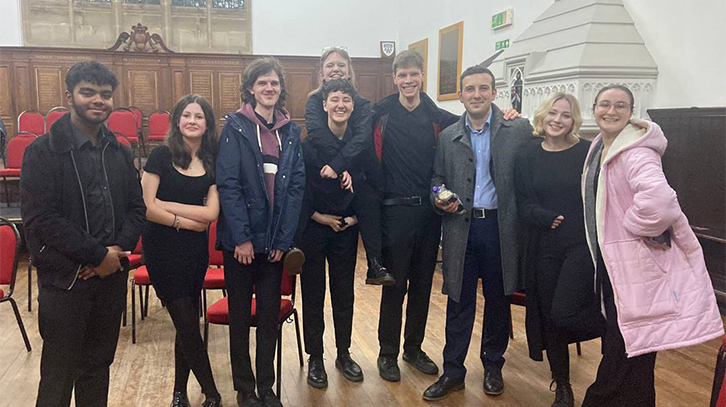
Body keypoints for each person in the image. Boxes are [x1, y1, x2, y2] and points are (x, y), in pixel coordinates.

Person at [580, 84, 724, 406]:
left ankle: (598, 400)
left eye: (621, 105)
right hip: (614, 260)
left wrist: (632, 227)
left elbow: (660, 202)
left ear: (632, 113)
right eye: (605, 104)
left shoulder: (636, 151)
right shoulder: (600, 148)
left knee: (628, 342)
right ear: (594, 109)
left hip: (634, 261)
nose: (611, 111)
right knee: (635, 345)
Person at [21, 61, 146, 406]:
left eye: (105, 95)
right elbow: (42, 219)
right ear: (70, 96)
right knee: (59, 374)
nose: (98, 101)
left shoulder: (119, 151)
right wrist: (96, 256)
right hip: (66, 280)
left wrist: (115, 252)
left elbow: (137, 209)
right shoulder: (42, 152)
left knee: (97, 367)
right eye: (88, 92)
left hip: (109, 278)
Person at [423, 65, 531, 401]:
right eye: (470, 89)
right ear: (461, 95)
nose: (476, 95)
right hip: (461, 229)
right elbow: (436, 179)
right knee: (458, 301)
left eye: (483, 89)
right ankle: (453, 370)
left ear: (494, 92)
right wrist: (439, 196)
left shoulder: (518, 129)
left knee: (498, 300)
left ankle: (493, 366)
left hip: (500, 228)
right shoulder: (448, 136)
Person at [216, 57, 305, 407]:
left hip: (274, 244)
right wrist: (241, 238)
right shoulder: (235, 127)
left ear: (281, 88)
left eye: (274, 83)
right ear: (250, 88)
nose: (269, 88)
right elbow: (229, 184)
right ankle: (245, 387)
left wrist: (284, 240)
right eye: (262, 83)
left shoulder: (291, 132)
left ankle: (267, 387)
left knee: (269, 317)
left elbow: (296, 188)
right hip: (241, 243)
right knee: (240, 315)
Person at [372, 50, 459, 383]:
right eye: (402, 75)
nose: (408, 81)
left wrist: (508, 115)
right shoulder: (381, 114)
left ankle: (413, 348)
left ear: (423, 76)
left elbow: (476, 121)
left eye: (414, 75)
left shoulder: (437, 117)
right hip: (393, 213)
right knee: (395, 287)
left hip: (429, 213)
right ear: (394, 78)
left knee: (423, 286)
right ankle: (387, 353)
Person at [513, 93, 605, 407]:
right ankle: (563, 386)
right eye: (553, 113)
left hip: (581, 245)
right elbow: (522, 202)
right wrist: (544, 217)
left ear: (573, 121)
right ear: (543, 115)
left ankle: (612, 325)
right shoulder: (526, 154)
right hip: (544, 245)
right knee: (551, 318)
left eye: (566, 115)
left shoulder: (587, 151)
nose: (558, 120)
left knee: (562, 311)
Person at [141, 94, 221, 407]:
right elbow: (147, 207)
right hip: (161, 248)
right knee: (187, 321)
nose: (192, 121)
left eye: (198, 116)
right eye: (186, 115)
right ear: (177, 120)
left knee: (185, 321)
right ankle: (212, 393)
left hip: (194, 253)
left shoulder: (212, 162)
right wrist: (186, 220)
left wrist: (166, 207)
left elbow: (212, 214)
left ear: (207, 124)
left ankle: (179, 393)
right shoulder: (161, 156)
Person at [298, 79, 367, 389]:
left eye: (346, 100)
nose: (341, 105)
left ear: (352, 106)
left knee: (344, 293)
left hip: (345, 228)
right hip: (314, 226)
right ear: (323, 105)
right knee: (313, 294)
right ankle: (315, 357)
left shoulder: (358, 143)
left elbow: (369, 185)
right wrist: (319, 217)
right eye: (334, 99)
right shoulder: (308, 143)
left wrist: (353, 219)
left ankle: (343, 353)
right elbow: (298, 188)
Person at [305, 46, 393, 285]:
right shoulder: (314, 100)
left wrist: (344, 166)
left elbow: (363, 136)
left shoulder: (362, 103)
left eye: (341, 65)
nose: (336, 69)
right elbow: (317, 134)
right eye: (330, 65)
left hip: (355, 160)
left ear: (349, 70)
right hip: (325, 161)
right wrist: (339, 166)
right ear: (322, 73)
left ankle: (375, 261)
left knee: (373, 187)